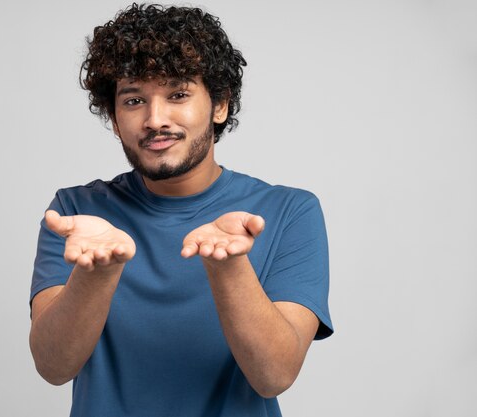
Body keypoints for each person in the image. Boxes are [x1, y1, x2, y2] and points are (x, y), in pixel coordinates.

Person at [29, 4, 333, 416]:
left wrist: (229, 266)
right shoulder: (75, 213)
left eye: (178, 94)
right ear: (115, 120)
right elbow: (52, 366)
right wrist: (95, 274)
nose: (155, 119)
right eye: (134, 99)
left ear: (220, 105)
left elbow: (274, 374)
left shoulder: (288, 211)